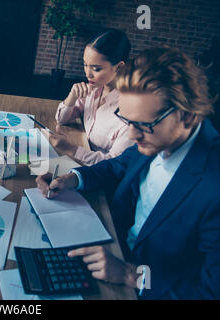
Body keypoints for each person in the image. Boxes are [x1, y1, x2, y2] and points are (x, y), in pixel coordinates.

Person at [36, 47, 220, 299]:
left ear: (186, 116)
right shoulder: (157, 136)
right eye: (127, 121)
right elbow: (118, 165)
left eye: (143, 125)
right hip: (109, 246)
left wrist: (130, 275)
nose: (132, 135)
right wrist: (73, 179)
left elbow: (209, 292)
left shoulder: (213, 185)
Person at [49, 29, 134, 166]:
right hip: (77, 160)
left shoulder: (130, 111)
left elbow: (113, 164)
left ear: (119, 67)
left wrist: (70, 148)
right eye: (85, 64)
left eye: (96, 69)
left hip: (96, 175)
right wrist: (72, 97)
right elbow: (61, 119)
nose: (88, 74)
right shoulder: (93, 89)